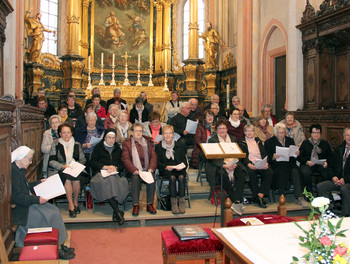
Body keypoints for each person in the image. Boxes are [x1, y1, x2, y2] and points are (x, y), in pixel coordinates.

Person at [11, 146, 75, 260]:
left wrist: (38, 183)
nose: (30, 163)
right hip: (22, 209)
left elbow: (25, 188)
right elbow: (17, 197)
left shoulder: (19, 169)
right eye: (29, 159)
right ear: (20, 158)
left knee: (53, 210)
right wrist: (37, 200)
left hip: (27, 203)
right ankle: (58, 248)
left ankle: (59, 244)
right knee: (51, 213)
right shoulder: (13, 172)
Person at [205, 119, 247, 215]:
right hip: (219, 165)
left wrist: (235, 163)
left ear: (227, 129)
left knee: (241, 174)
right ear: (216, 130)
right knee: (222, 175)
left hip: (233, 163)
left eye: (224, 128)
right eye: (219, 128)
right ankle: (236, 200)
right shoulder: (213, 140)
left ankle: (236, 200)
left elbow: (237, 153)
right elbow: (212, 158)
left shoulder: (233, 139)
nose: (222, 130)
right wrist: (224, 165)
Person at [89, 129, 129, 225]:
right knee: (110, 181)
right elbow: (92, 162)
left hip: (114, 174)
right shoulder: (98, 147)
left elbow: (122, 164)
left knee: (114, 180)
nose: (111, 140)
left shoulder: (118, 149)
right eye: (109, 138)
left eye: (113, 138)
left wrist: (115, 168)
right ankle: (117, 211)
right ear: (105, 138)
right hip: (100, 174)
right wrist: (105, 167)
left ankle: (116, 212)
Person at [264, 123, 308, 207]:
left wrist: (297, 153)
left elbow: (294, 154)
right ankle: (282, 194)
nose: (282, 134)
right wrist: (273, 156)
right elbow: (267, 156)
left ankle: (300, 197)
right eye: (280, 132)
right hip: (277, 164)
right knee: (282, 171)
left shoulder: (290, 140)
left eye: (283, 132)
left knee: (295, 171)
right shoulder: (269, 142)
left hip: (289, 163)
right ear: (276, 133)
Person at [48, 124, 88, 218]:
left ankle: (76, 201)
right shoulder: (55, 145)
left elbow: (83, 159)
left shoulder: (77, 144)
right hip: (62, 170)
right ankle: (71, 205)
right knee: (67, 179)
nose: (66, 134)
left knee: (77, 179)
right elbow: (51, 161)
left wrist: (76, 165)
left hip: (75, 169)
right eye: (63, 132)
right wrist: (62, 166)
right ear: (60, 134)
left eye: (68, 132)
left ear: (71, 133)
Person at [121, 123, 157, 216]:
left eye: (140, 131)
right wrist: (134, 170)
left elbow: (153, 157)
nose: (138, 133)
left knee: (151, 178)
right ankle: (135, 205)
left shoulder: (148, 142)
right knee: (135, 178)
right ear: (132, 132)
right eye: (136, 131)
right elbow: (125, 159)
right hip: (133, 171)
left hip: (146, 170)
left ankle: (150, 204)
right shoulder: (127, 144)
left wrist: (151, 169)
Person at [317, 127, 350, 216]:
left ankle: (345, 215)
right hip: (337, 180)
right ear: (344, 137)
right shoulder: (339, 149)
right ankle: (328, 211)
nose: (349, 137)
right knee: (320, 186)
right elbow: (330, 166)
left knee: (345, 189)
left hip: (348, 182)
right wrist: (333, 177)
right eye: (347, 135)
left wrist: (345, 179)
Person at [238, 125, 273, 208]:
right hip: (250, 164)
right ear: (244, 132)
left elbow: (264, 153)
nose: (249, 133)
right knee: (251, 173)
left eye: (251, 131)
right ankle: (256, 195)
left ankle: (260, 194)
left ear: (254, 132)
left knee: (269, 172)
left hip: (260, 162)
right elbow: (242, 156)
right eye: (247, 131)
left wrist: (266, 163)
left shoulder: (258, 141)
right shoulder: (241, 142)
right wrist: (249, 164)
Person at [156, 125, 188, 214]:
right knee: (172, 178)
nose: (168, 135)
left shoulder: (179, 145)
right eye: (165, 133)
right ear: (162, 135)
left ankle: (181, 202)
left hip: (178, 168)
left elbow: (184, 160)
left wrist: (180, 166)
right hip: (166, 169)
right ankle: (174, 202)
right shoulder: (158, 147)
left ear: (173, 134)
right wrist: (166, 167)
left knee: (181, 177)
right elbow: (157, 163)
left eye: (170, 133)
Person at [299, 124, 333, 193]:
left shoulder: (324, 143)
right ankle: (309, 192)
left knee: (326, 172)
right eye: (314, 133)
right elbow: (299, 157)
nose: (316, 135)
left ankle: (320, 193)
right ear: (311, 134)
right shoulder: (305, 143)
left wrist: (327, 162)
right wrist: (307, 162)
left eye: (318, 133)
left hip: (321, 164)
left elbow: (330, 156)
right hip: (309, 164)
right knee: (305, 172)